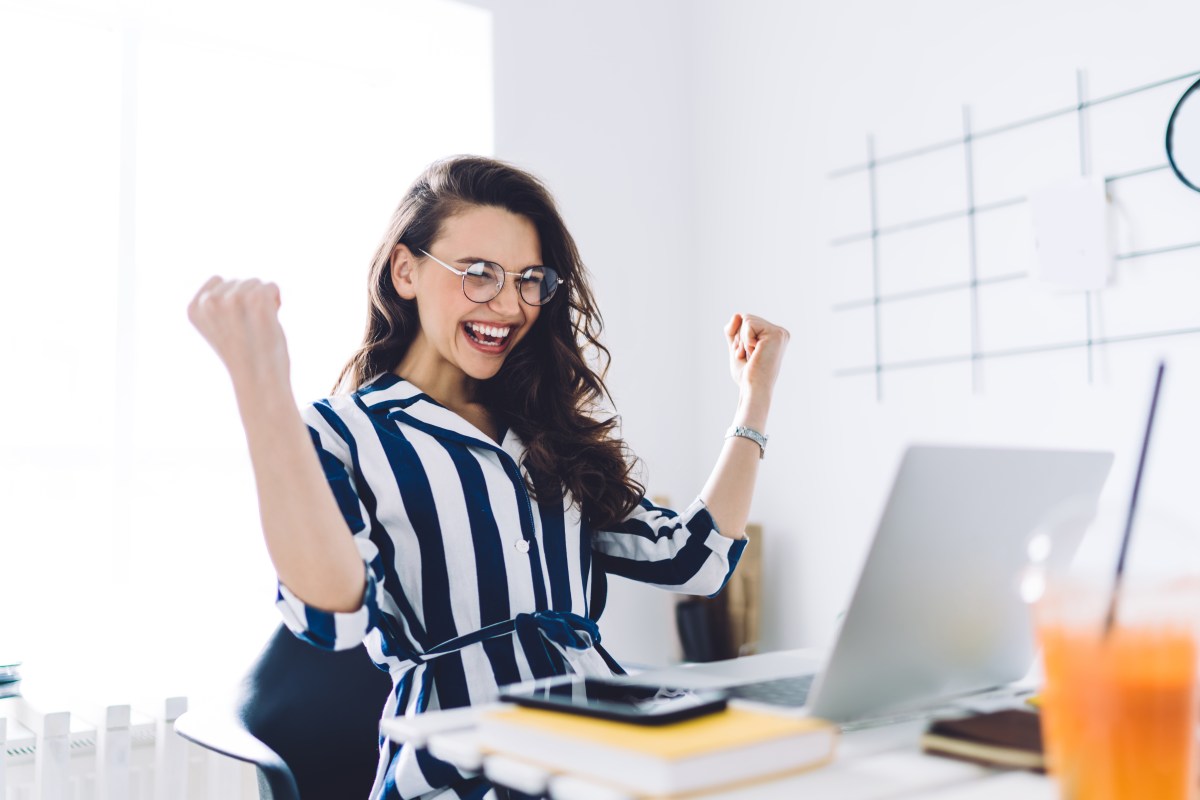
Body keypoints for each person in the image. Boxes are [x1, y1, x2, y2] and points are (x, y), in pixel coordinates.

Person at [188, 155, 790, 800]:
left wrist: (754, 399)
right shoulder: (343, 433)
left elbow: (692, 560)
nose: (508, 304)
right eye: (479, 274)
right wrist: (264, 393)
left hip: (605, 744)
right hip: (458, 765)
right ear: (406, 270)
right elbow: (330, 616)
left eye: (530, 279)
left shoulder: (547, 431)